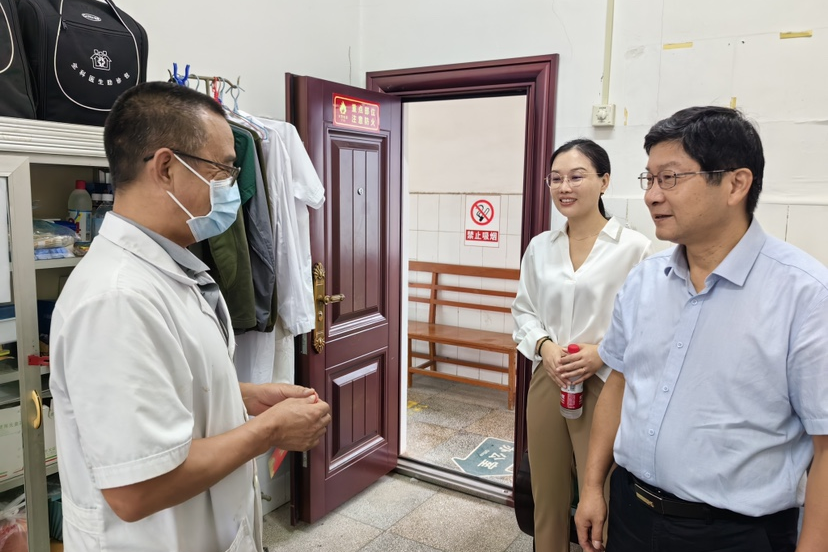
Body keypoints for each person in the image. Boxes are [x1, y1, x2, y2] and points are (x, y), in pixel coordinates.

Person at [49, 82, 332, 552]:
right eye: (223, 169)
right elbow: (136, 490)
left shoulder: (169, 268)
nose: (232, 187)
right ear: (166, 168)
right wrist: (270, 430)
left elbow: (167, 383)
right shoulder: (115, 299)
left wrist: (242, 395)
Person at [575, 106, 828, 552]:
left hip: (733, 534)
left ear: (736, 184)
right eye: (649, 178)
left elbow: (824, 444)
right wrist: (593, 487)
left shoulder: (804, 295)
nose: (652, 196)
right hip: (631, 511)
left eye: (670, 178)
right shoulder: (645, 279)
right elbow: (620, 383)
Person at [512, 139, 653, 551]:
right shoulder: (541, 247)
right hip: (550, 377)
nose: (564, 187)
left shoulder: (635, 248)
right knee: (547, 492)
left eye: (576, 177)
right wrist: (544, 346)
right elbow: (524, 310)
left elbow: (648, 324)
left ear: (604, 181)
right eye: (555, 179)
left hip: (605, 383)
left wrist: (601, 352)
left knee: (603, 494)